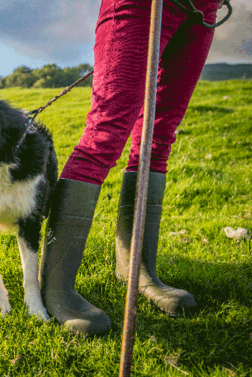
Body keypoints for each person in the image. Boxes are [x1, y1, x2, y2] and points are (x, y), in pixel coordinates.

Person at [39, 0, 225, 334]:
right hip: (143, 4)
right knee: (106, 130)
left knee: (159, 135)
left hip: (202, 9)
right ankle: (57, 289)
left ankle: (138, 271)